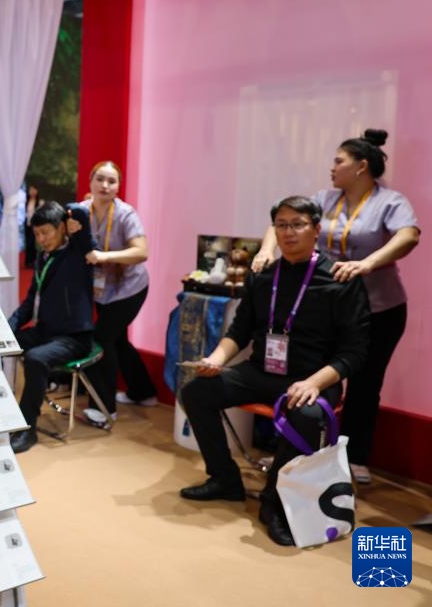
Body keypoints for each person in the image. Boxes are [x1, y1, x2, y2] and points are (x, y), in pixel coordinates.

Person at [180, 196, 370, 546]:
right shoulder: (264, 275)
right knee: (196, 392)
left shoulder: (340, 279)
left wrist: (314, 382)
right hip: (260, 371)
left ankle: (276, 502)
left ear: (316, 229)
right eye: (281, 225)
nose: (288, 232)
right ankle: (224, 479)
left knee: (307, 415)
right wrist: (216, 359)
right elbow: (239, 331)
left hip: (314, 378)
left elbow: (355, 352)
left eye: (297, 224)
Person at [251, 130, 420, 483]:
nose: (332, 167)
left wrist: (368, 263)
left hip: (379, 309)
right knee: (306, 375)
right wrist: (267, 250)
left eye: (338, 161)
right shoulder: (324, 199)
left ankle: (354, 457)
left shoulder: (389, 202)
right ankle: (292, 452)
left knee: (364, 383)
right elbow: (280, 221)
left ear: (361, 167)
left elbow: (409, 235)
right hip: (324, 309)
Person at [7, 201, 96, 453]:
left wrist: (68, 213)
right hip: (45, 331)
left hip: (74, 337)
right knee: (2, 345)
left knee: (35, 358)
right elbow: (29, 302)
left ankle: (27, 429)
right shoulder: (42, 258)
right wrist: (6, 328)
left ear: (62, 228)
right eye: (37, 234)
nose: (41, 239)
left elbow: (81, 213)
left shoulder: (79, 252)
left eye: (46, 232)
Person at [72, 161, 156, 423]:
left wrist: (105, 256)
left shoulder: (125, 214)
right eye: (100, 179)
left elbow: (141, 252)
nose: (105, 185)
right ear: (90, 181)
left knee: (100, 339)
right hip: (102, 289)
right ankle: (143, 392)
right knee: (117, 339)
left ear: (118, 186)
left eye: (112, 181)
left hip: (129, 288)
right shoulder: (80, 211)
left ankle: (104, 408)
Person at [23, 184, 45, 268]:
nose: (32, 192)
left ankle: (33, 261)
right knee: (28, 243)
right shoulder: (27, 201)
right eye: (30, 190)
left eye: (33, 190)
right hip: (27, 224)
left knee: (32, 243)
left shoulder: (40, 202)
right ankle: (28, 261)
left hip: (35, 225)